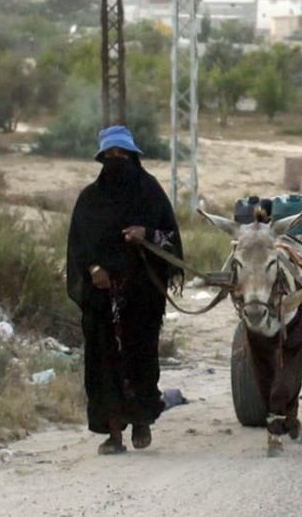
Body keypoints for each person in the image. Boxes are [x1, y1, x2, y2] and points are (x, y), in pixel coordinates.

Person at [66, 125, 183, 455]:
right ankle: (114, 431)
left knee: (140, 356)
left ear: (133, 156)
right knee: (103, 362)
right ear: (102, 158)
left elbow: (171, 237)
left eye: (123, 155)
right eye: (111, 155)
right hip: (101, 298)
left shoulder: (150, 192)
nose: (117, 160)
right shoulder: (90, 199)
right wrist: (94, 269)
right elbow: (78, 245)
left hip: (142, 294)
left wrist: (146, 233)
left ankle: (142, 419)